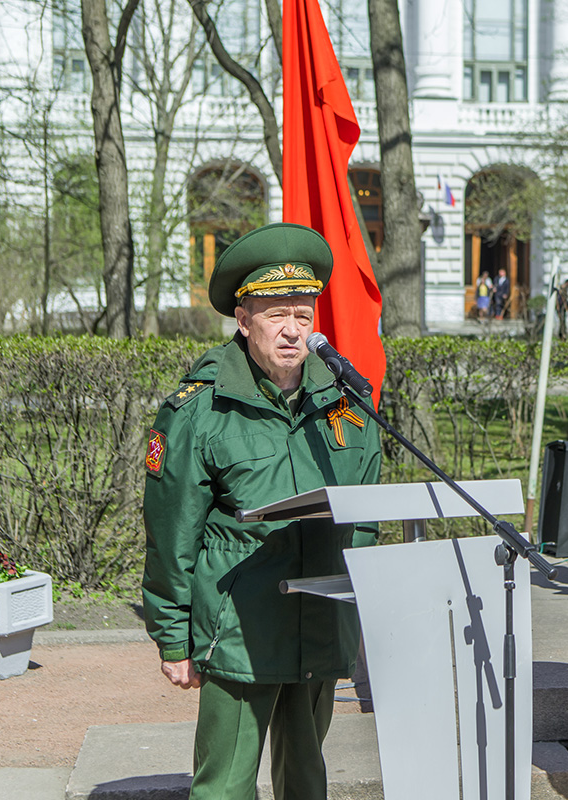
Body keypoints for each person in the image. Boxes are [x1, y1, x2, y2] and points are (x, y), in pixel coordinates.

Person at [142, 222, 383, 800]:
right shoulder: (200, 410)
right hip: (239, 627)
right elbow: (172, 533)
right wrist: (174, 639)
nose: (292, 330)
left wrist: (366, 608)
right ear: (243, 319)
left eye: (303, 315)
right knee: (224, 786)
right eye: (276, 314)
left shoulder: (346, 400)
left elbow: (368, 518)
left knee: (306, 778)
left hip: (322, 622)